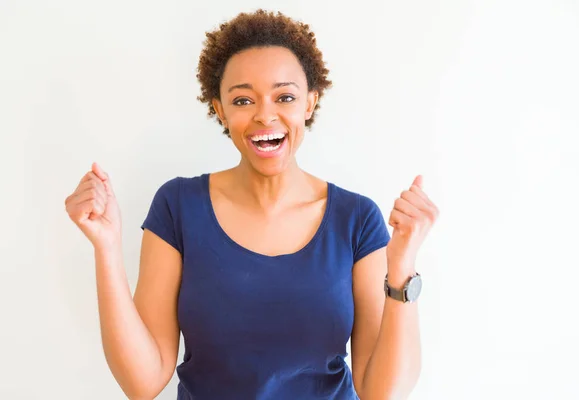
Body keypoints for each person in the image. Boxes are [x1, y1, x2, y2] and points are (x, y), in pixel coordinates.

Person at [65, 9, 439, 400]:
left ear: (309, 103)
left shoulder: (356, 219)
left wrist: (401, 273)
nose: (264, 115)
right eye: (243, 100)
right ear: (220, 109)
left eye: (285, 97)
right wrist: (106, 247)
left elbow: (383, 392)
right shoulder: (177, 207)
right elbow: (142, 382)